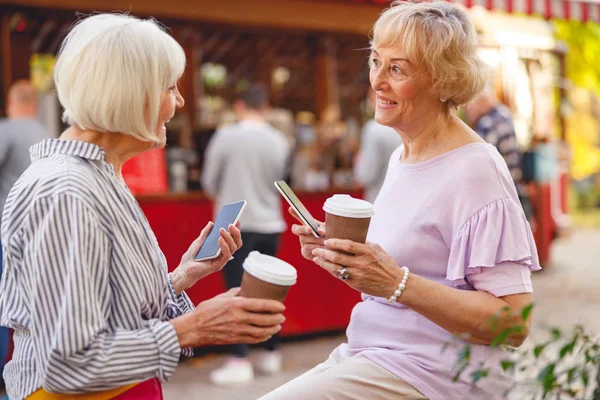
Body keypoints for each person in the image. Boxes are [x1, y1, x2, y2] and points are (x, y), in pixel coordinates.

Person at [262, 2, 540, 399]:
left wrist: (396, 282)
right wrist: (345, 257)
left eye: (398, 68)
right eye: (376, 61)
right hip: (377, 355)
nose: (377, 80)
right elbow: (401, 271)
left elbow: (513, 324)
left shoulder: (475, 169)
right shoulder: (402, 155)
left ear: (445, 81)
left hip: (438, 376)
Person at [0, 14, 285, 400]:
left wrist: (184, 275)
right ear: (132, 93)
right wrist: (194, 327)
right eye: (170, 87)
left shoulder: (96, 176)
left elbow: (111, 313)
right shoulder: (66, 191)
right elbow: (70, 363)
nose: (180, 101)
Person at [202, 84, 290, 385]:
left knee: (236, 290)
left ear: (239, 106)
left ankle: (239, 358)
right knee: (267, 289)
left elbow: (208, 181)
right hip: (270, 222)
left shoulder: (225, 137)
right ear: (264, 107)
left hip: (234, 225)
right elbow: (281, 180)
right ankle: (270, 352)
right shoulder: (278, 140)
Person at [0, 80, 52, 390]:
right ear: (33, 104)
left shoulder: (7, 130)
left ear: (10, 102)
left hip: (5, 233)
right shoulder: (46, 133)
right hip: (37, 234)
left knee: (4, 306)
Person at [465, 83, 534, 222]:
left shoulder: (488, 123)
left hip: (497, 192)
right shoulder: (505, 113)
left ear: (481, 101)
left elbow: (475, 159)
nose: (469, 110)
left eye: (471, 104)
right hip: (514, 186)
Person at [353, 89, 403, 203]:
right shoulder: (409, 127)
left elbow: (365, 176)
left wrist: (357, 161)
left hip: (379, 202)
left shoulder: (374, 129)